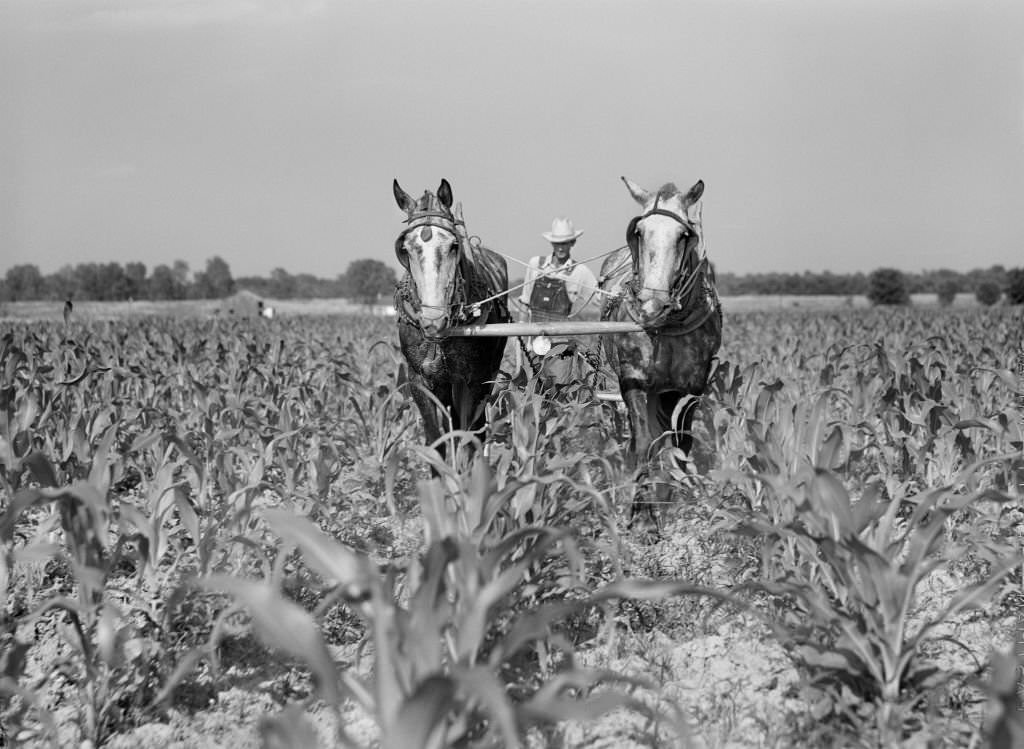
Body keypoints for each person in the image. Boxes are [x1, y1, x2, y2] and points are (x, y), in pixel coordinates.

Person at [518, 217, 599, 385]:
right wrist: (519, 340)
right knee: (530, 395)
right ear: (552, 244)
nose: (561, 247)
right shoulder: (535, 265)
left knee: (559, 395)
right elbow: (524, 304)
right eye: (557, 243)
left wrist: (615, 290)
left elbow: (601, 298)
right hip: (534, 345)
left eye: (565, 243)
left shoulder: (580, 272)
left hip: (561, 348)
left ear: (573, 243)